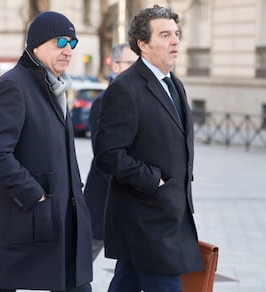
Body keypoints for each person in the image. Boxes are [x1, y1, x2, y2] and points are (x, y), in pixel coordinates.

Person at [0, 11, 92, 292]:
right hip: (25, 217)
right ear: (37, 45)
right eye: (61, 41)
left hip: (61, 217)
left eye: (72, 44)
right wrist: (35, 195)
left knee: (76, 285)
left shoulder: (56, 87)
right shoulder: (14, 85)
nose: (68, 50)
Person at [94, 5, 205, 292]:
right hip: (145, 217)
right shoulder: (125, 88)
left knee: (126, 283)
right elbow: (108, 154)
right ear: (143, 44)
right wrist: (153, 179)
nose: (175, 41)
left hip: (171, 214)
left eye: (176, 34)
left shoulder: (175, 84)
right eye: (165, 35)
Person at [83, 43, 137, 260]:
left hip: (131, 208)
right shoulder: (103, 102)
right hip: (103, 203)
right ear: (115, 66)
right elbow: (105, 158)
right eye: (130, 64)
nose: (136, 69)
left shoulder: (136, 98)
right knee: (78, 271)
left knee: (128, 272)